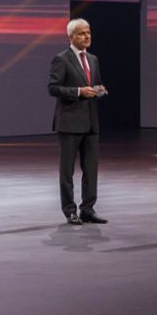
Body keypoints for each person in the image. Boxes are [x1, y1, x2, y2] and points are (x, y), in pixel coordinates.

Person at [47, 18, 108, 225]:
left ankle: (88, 209)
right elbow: (53, 88)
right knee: (67, 171)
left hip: (91, 122)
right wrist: (79, 92)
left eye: (88, 32)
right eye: (82, 33)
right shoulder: (61, 59)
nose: (87, 36)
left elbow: (95, 83)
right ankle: (69, 210)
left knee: (91, 170)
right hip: (70, 123)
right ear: (71, 37)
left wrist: (99, 90)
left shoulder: (93, 59)